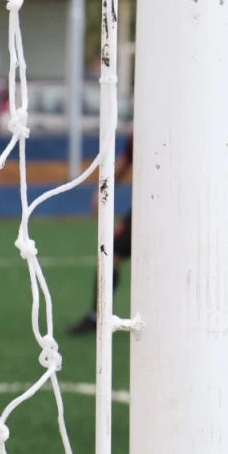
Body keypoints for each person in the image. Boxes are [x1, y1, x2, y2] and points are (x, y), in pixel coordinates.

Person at [67, 134, 134, 336]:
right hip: (148, 206)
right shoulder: (139, 132)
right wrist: (102, 191)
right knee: (111, 254)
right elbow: (126, 161)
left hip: (179, 208)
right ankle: (98, 316)